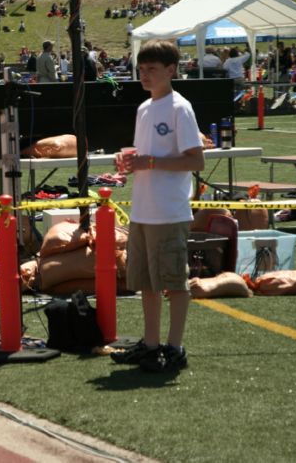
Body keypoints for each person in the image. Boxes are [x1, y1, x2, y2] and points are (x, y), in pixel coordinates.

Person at [111, 39, 204, 372]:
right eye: (141, 69)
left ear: (171, 70)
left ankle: (175, 347)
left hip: (169, 210)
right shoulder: (144, 108)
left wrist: (150, 162)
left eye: (152, 69)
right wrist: (129, 159)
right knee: (147, 282)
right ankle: (151, 345)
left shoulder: (180, 108)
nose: (145, 75)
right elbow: (147, 155)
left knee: (174, 281)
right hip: (143, 209)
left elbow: (196, 160)